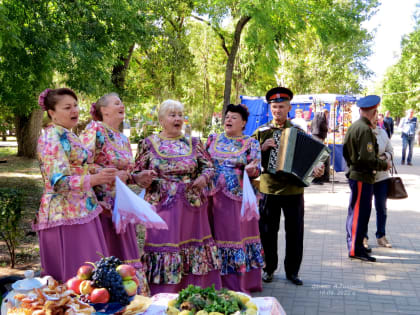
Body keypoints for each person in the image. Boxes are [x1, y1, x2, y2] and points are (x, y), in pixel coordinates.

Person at [133, 99, 221, 294]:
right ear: (161, 120)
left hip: (192, 204)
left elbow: (209, 166)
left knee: (193, 246)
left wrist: (203, 178)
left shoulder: (193, 142)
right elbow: (136, 172)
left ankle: (197, 292)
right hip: (161, 207)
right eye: (172, 115)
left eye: (180, 115)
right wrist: (142, 178)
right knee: (163, 247)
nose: (178, 118)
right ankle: (164, 294)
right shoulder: (148, 144)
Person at [34, 88, 118, 282]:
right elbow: (59, 182)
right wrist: (95, 179)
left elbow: (80, 167)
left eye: (76, 105)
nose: (74, 111)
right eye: (67, 107)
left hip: (83, 210)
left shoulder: (69, 134)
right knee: (77, 278)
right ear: (52, 113)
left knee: (92, 275)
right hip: (63, 215)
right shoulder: (51, 137)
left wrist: (101, 173)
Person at [252, 87, 324, 285]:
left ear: (289, 107)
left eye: (281, 107)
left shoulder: (297, 131)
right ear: (270, 108)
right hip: (268, 189)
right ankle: (269, 268)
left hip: (293, 190)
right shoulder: (261, 133)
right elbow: (247, 158)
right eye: (274, 107)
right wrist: (260, 148)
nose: (277, 111)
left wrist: (317, 169)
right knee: (267, 232)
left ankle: (292, 272)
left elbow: (314, 159)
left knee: (295, 232)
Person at [80, 93, 150, 295]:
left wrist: (136, 177)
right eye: (117, 103)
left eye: (122, 102)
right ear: (104, 110)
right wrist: (105, 174)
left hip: (121, 204)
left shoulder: (123, 138)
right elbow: (81, 164)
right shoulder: (95, 130)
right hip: (101, 204)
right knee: (105, 254)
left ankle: (128, 298)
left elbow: (126, 173)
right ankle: (104, 297)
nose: (122, 105)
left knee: (124, 255)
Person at [206, 104, 264, 293]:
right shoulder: (213, 139)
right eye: (227, 117)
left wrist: (250, 170)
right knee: (214, 238)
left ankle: (238, 283)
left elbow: (257, 169)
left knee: (234, 237)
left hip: (238, 200)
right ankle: (214, 280)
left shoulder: (251, 143)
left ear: (244, 123)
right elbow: (203, 163)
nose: (228, 120)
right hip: (213, 198)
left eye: (234, 117)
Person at [343, 95, 391, 262]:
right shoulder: (364, 129)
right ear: (374, 112)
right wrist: (384, 165)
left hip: (357, 175)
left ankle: (355, 245)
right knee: (359, 214)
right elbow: (367, 158)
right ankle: (356, 249)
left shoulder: (356, 126)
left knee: (356, 212)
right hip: (362, 176)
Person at [364, 123, 394, 250]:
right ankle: (363, 237)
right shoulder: (364, 132)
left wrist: (384, 157)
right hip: (367, 177)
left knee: (381, 208)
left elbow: (391, 151)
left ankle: (381, 236)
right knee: (365, 208)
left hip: (382, 177)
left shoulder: (382, 133)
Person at [311, 109, 330, 184]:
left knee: (320, 158)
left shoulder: (316, 118)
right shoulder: (321, 119)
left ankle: (320, 177)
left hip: (315, 137)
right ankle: (319, 178)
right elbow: (322, 129)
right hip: (318, 138)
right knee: (320, 158)